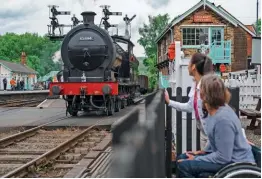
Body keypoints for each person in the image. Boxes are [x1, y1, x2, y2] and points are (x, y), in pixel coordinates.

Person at [176, 74, 255, 178]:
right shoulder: (213, 112)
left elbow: (223, 157)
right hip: (227, 159)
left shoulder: (223, 119)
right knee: (182, 157)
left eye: (200, 89)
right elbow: (216, 139)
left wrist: (196, 159)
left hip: (236, 164)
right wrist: (201, 152)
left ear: (206, 95)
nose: (198, 92)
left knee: (184, 166)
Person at [165, 53, 213, 150]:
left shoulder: (208, 86)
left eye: (189, 63)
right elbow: (189, 106)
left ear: (194, 67)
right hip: (204, 134)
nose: (187, 66)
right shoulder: (195, 84)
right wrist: (169, 102)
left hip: (213, 136)